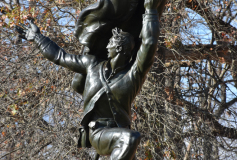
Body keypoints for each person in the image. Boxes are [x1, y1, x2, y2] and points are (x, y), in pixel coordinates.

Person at [16, 0, 161, 159]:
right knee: (130, 138)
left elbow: (149, 43)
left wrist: (151, 10)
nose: (106, 47)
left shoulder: (134, 74)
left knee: (128, 139)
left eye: (111, 44)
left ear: (119, 48)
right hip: (98, 133)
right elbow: (60, 57)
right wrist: (38, 38)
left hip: (119, 136)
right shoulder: (92, 65)